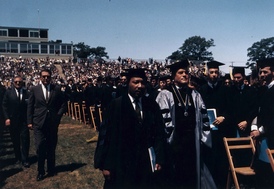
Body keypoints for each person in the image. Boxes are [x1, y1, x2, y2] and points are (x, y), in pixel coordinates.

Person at [94, 68, 165, 189]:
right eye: (135, 82)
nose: (140, 86)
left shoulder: (151, 105)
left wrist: (159, 158)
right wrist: (105, 164)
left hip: (144, 162)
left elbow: (159, 133)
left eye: (142, 83)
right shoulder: (116, 105)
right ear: (128, 83)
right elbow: (106, 136)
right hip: (121, 162)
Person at [155, 59, 216, 189]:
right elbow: (162, 122)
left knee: (191, 175)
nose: (184, 75)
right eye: (180, 72)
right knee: (175, 176)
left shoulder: (194, 94)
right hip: (174, 143)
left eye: (186, 72)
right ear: (173, 76)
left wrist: (203, 138)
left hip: (192, 142)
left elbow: (204, 118)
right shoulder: (165, 94)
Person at [27, 69, 67, 181]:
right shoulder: (34, 89)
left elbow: (63, 104)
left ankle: (51, 169)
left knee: (51, 146)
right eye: (43, 76)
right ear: (40, 77)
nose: (46, 78)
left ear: (51, 77)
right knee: (40, 147)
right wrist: (29, 121)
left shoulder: (57, 89)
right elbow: (30, 106)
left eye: (48, 76)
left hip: (52, 123)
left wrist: (58, 116)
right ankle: (40, 171)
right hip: (39, 123)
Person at [198, 61, 230, 188]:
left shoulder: (226, 90)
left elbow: (232, 108)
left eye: (216, 72)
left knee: (221, 161)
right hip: (207, 132)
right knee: (209, 160)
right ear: (207, 74)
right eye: (211, 72)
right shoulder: (201, 91)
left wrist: (224, 117)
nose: (214, 75)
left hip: (222, 131)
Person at [250, 57, 274, 188]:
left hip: (271, 136)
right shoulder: (264, 90)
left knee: (269, 173)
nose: (262, 75)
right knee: (263, 174)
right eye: (260, 72)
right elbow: (259, 112)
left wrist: (260, 131)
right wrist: (254, 126)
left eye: (265, 72)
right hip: (263, 137)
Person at [2, 76, 30, 167]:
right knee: (15, 140)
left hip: (24, 121)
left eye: (20, 82)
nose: (18, 83)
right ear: (13, 82)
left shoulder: (26, 93)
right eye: (16, 82)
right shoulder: (8, 93)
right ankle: (18, 157)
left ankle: (25, 159)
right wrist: (6, 118)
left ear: (22, 83)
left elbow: (29, 107)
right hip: (13, 121)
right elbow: (4, 106)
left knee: (25, 140)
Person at [227, 66, 258, 137]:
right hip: (233, 127)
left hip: (247, 126)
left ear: (244, 77)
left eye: (238, 77)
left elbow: (254, 109)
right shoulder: (229, 91)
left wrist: (247, 121)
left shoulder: (251, 91)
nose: (236, 80)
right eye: (234, 77)